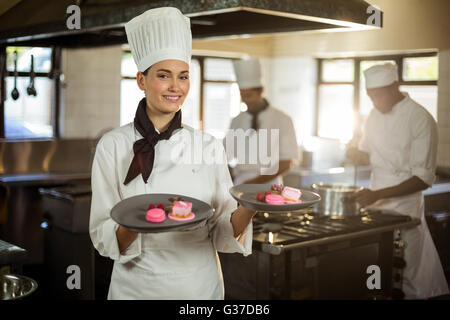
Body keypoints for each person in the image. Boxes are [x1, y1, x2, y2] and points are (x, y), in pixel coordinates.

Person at [89, 7, 256, 300]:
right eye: (164, 76)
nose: (175, 87)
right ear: (141, 80)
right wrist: (137, 221)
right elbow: (102, 234)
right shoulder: (112, 145)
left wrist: (252, 206)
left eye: (183, 77)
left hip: (199, 288)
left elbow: (222, 228)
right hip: (136, 288)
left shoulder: (207, 145)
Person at [347, 63, 449, 299]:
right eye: (370, 96)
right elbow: (368, 154)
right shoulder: (373, 115)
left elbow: (423, 179)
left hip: (405, 208)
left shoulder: (420, 118)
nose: (374, 102)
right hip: (375, 203)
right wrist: (355, 154)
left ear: (395, 86)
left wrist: (377, 195)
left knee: (404, 272)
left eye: (378, 94)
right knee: (377, 269)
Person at [225, 58, 298, 186]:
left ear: (261, 91)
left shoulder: (282, 120)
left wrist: (254, 182)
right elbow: (225, 155)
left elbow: (286, 162)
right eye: (243, 95)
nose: (246, 100)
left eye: (249, 95)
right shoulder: (237, 121)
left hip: (271, 184)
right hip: (240, 182)